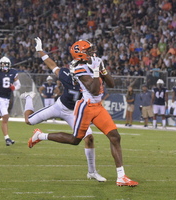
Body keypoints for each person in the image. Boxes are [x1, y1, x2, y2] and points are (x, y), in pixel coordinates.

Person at [28, 38, 138, 187]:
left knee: (115, 137)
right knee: (75, 140)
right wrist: (95, 70)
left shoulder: (94, 62)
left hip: (97, 107)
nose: (92, 52)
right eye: (88, 50)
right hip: (84, 107)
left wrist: (102, 69)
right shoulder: (78, 68)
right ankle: (41, 135)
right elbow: (92, 89)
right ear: (80, 54)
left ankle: (121, 176)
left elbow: (111, 83)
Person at [21, 37, 106, 182]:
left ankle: (91, 172)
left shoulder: (89, 79)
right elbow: (52, 65)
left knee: (89, 138)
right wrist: (40, 50)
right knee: (29, 121)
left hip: (76, 113)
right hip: (60, 106)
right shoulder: (67, 75)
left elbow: (96, 89)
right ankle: (29, 98)